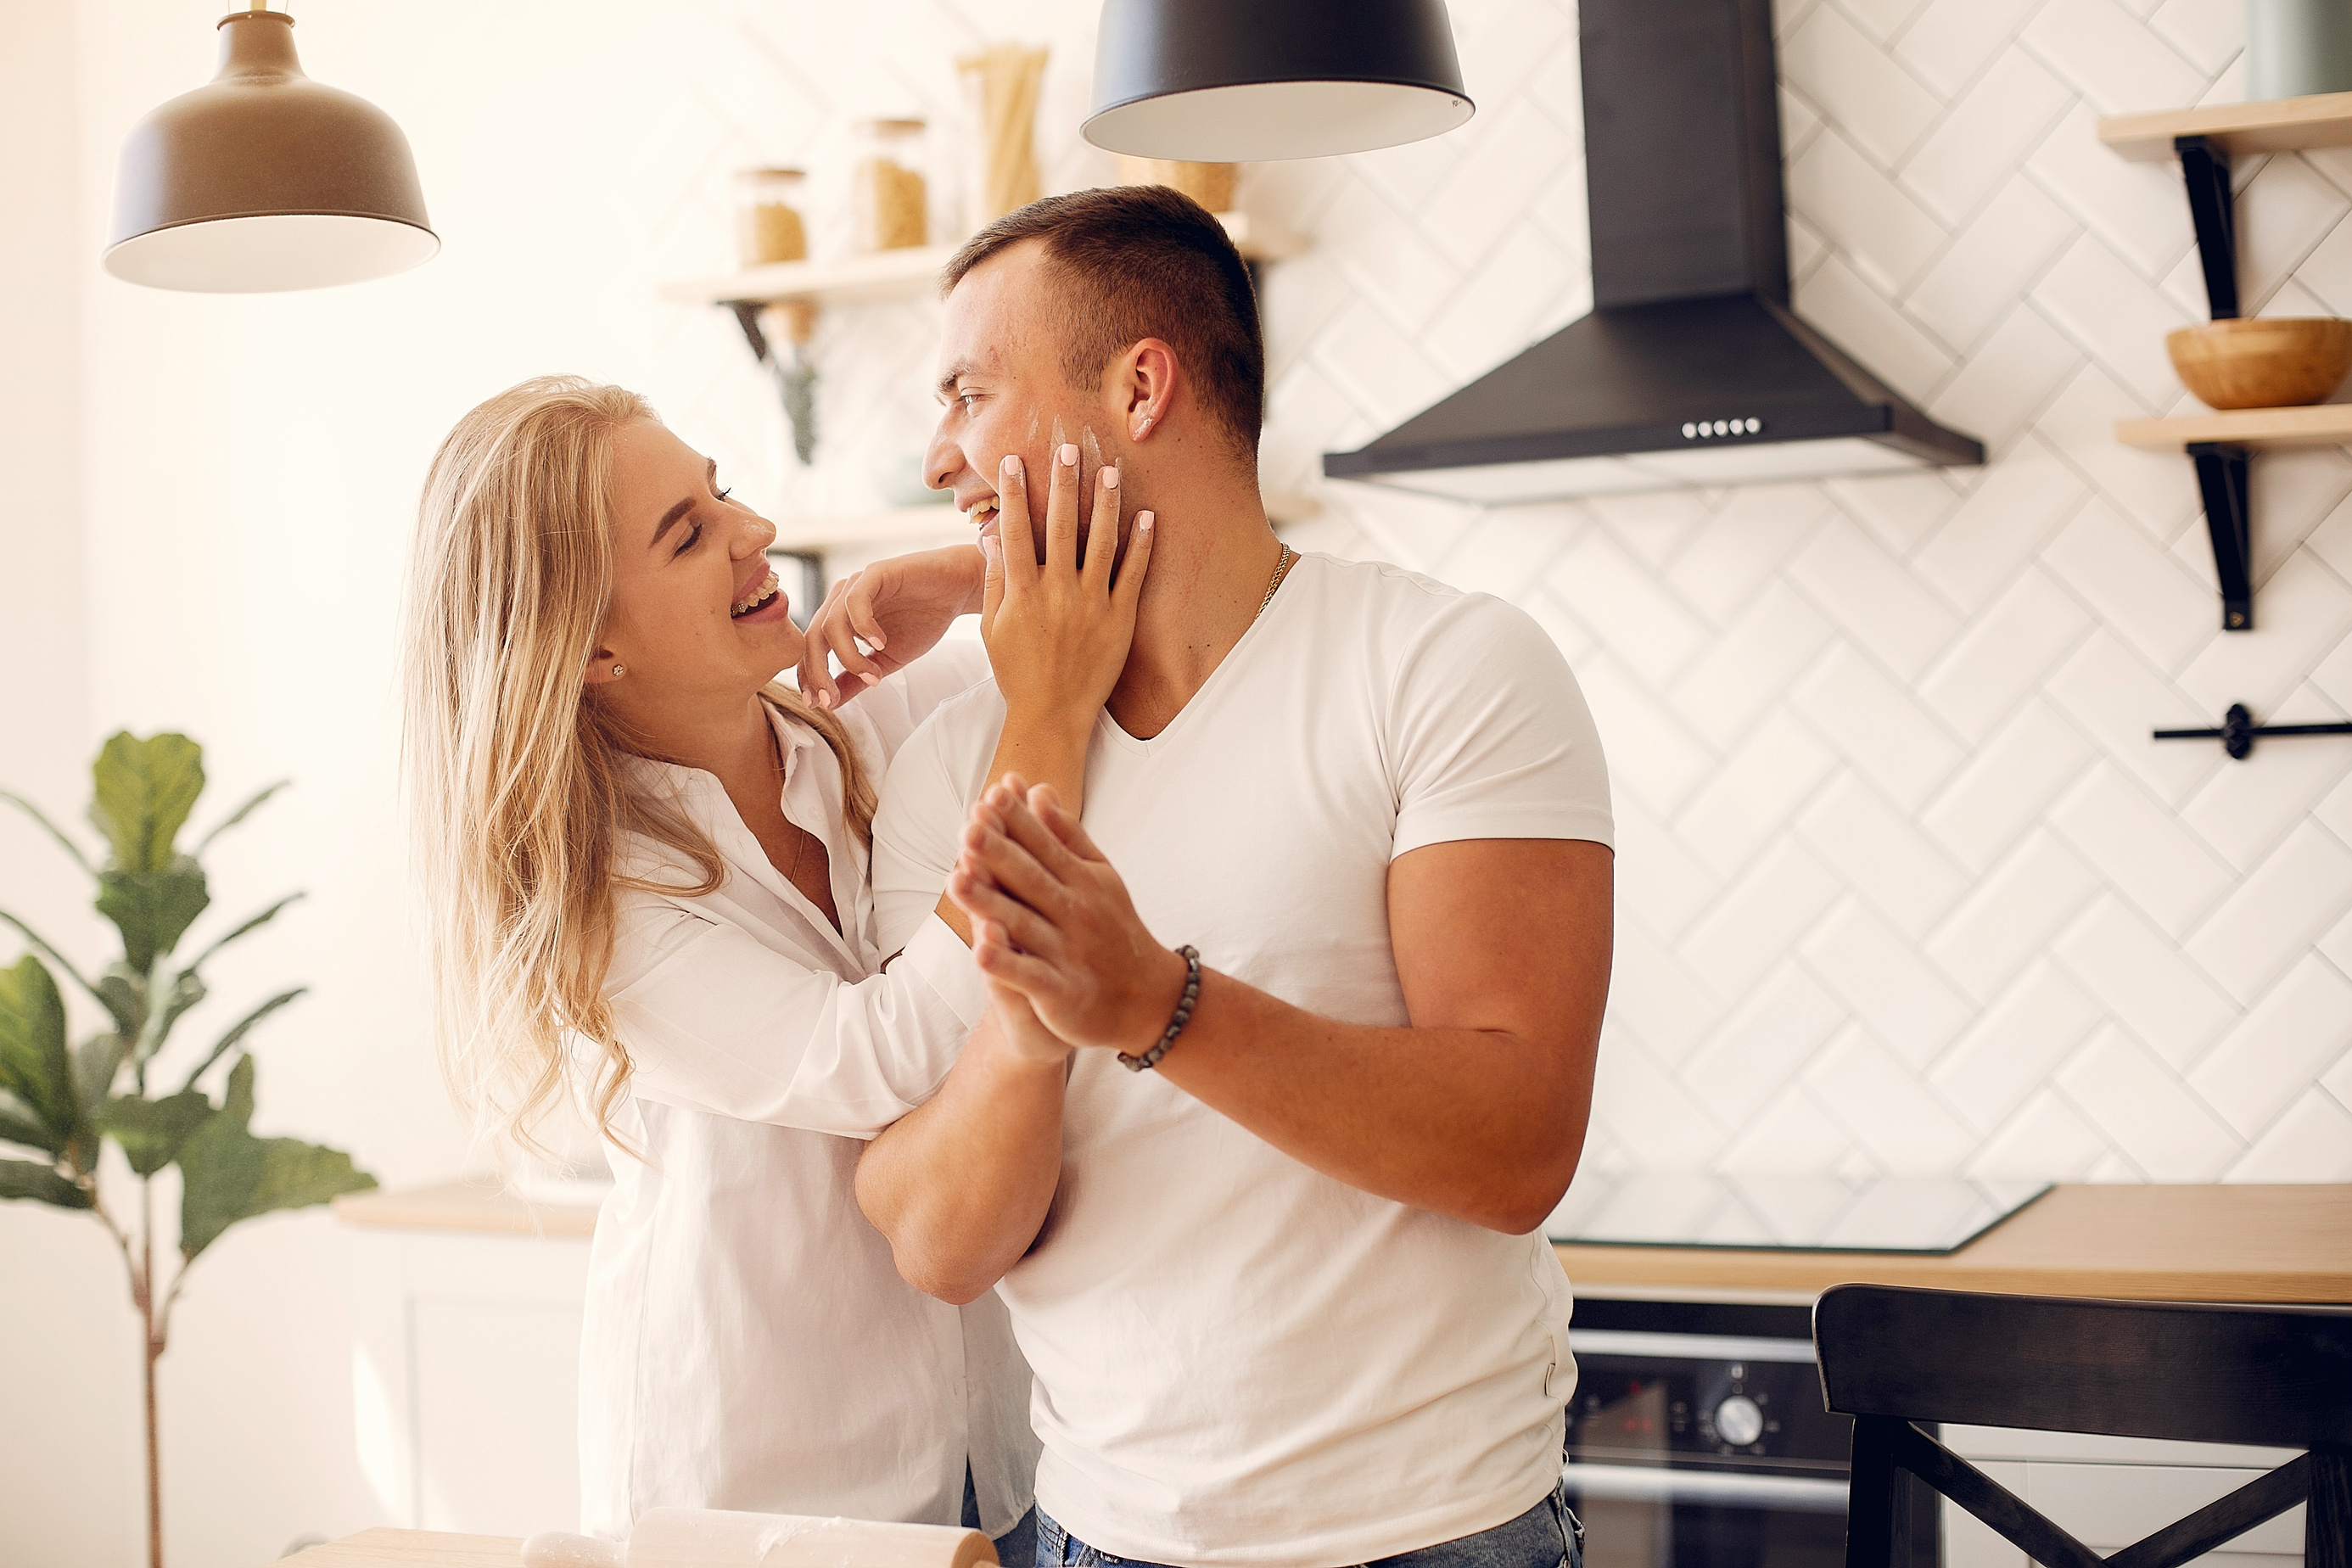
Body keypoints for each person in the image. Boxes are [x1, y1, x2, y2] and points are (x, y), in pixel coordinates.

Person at [853, 186, 1616, 1568]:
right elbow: (936, 1243)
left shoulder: (1446, 669)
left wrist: (1153, 1003)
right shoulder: (950, 758)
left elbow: (1517, 1148)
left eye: (970, 395)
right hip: (1099, 1537)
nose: (937, 457)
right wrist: (1028, 1037)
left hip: (1434, 1535)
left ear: (1141, 386)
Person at [400, 374, 1151, 1549]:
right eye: (688, 534)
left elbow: (1142, 617)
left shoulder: (870, 725)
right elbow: (885, 1059)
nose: (754, 534)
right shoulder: (610, 909)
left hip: (991, 1449)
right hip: (758, 1486)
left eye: (725, 493)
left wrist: (955, 581)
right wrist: (1042, 722)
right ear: (591, 647)